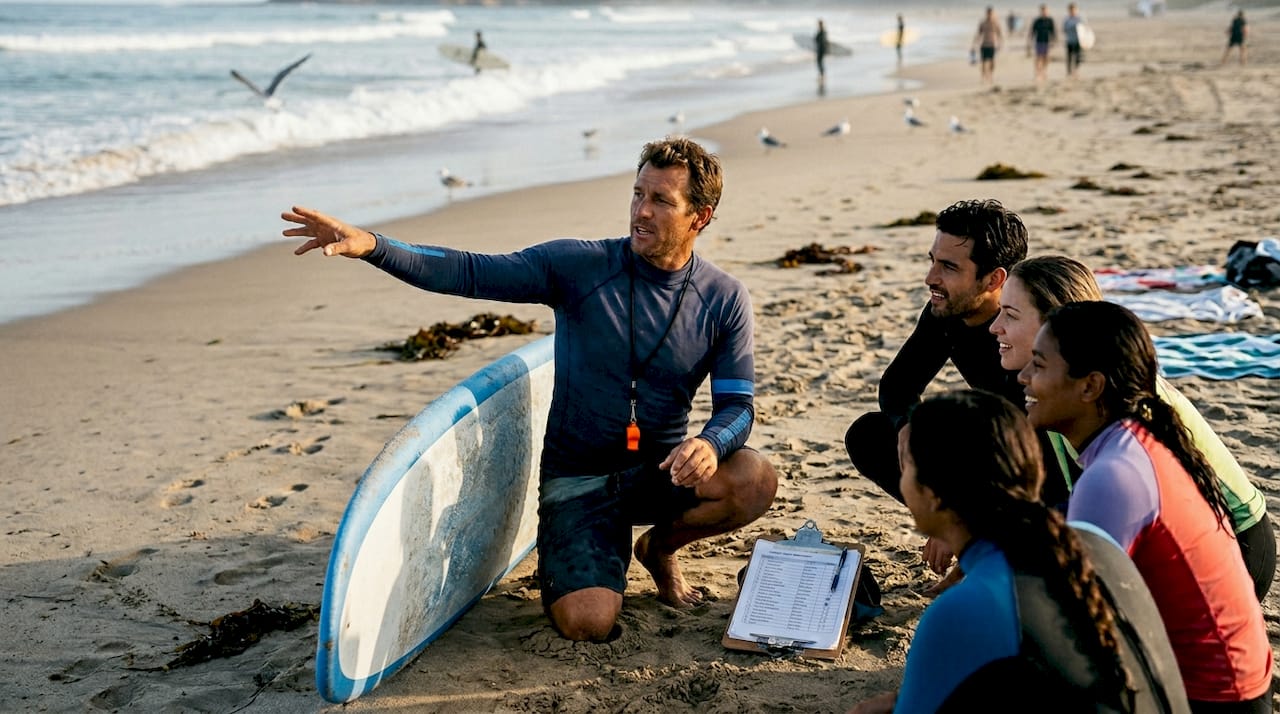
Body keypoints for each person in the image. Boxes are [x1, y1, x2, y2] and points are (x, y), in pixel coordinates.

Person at [284, 137, 779, 642]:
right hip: (578, 481)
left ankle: (659, 549)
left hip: (658, 470)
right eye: (637, 194)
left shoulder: (723, 299)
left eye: (661, 201)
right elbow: (471, 271)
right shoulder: (579, 268)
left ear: (701, 217)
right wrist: (373, 245)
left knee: (754, 478)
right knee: (587, 624)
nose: (641, 211)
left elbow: (737, 407)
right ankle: (584, 550)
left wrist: (710, 444)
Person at [847, 390, 1190, 714]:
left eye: (904, 466)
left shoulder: (963, 608)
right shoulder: (1092, 546)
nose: (900, 479)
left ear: (935, 495)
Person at [1019, 302, 1273, 711]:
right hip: (1236, 686)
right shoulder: (1133, 439)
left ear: (1090, 386)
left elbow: (1074, 630)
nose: (1023, 377)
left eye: (1039, 365)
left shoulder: (1114, 474)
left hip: (1215, 700)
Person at [990, 256, 1276, 599]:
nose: (995, 326)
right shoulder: (1064, 391)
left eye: (1011, 314)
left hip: (1238, 543)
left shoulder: (1118, 408)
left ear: (1057, 325)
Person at [972, 6, 1004, 85]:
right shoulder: (983, 23)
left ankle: (990, 76)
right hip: (984, 45)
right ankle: (983, 78)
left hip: (992, 45)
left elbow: (999, 34)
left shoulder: (996, 23)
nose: (989, 15)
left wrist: (1000, 44)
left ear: (993, 13)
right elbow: (979, 34)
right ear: (986, 14)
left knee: (992, 62)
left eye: (991, 13)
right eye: (988, 13)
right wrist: (974, 43)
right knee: (983, 62)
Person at [1027, 4, 1057, 84]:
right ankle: (1037, 73)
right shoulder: (1037, 21)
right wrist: (1029, 41)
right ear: (1040, 11)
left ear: (1047, 11)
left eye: (1045, 10)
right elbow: (1032, 31)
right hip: (1038, 41)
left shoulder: (1050, 20)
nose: (1044, 12)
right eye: (1043, 10)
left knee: (1046, 58)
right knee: (1038, 58)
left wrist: (1054, 41)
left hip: (1047, 42)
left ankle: (1044, 71)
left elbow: (1053, 32)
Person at [1062, 3, 1084, 77]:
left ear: (1076, 10)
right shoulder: (1067, 19)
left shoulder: (1079, 19)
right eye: (1071, 10)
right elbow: (1064, 29)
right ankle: (1069, 72)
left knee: (1077, 56)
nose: (1072, 11)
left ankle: (1076, 70)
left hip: (1078, 41)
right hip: (1069, 40)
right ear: (1069, 10)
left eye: (1074, 9)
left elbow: (1084, 29)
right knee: (1069, 57)